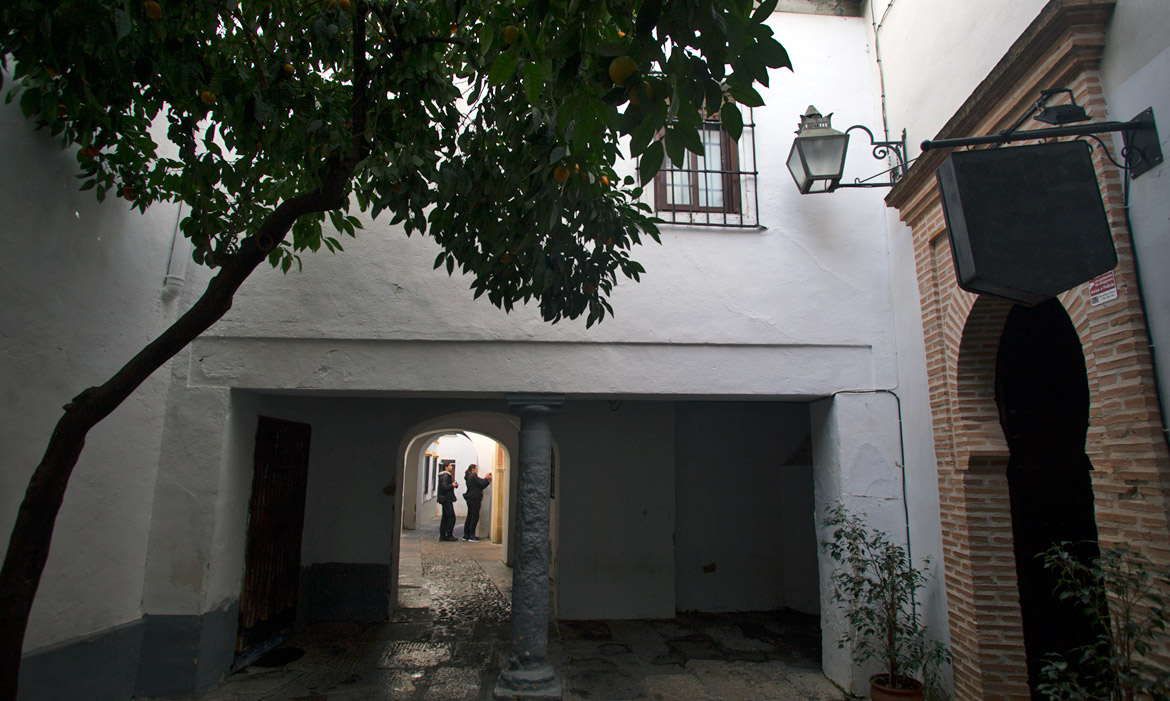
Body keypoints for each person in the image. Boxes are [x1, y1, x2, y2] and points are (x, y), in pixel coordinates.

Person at [461, 464, 493, 541]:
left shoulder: (468, 477)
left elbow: (479, 482)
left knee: (470, 516)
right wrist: (487, 479)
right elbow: (481, 484)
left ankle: (466, 535)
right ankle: (471, 535)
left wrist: (485, 479)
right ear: (472, 469)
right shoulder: (473, 476)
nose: (477, 471)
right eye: (476, 469)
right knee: (474, 517)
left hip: (470, 498)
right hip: (474, 498)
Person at [436, 463, 459, 541]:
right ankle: (449, 535)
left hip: (445, 499)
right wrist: (452, 485)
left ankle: (443, 535)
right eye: (450, 466)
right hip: (446, 499)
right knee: (451, 517)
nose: (451, 467)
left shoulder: (444, 475)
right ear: (446, 467)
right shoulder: (446, 476)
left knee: (445, 517)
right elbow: (444, 486)